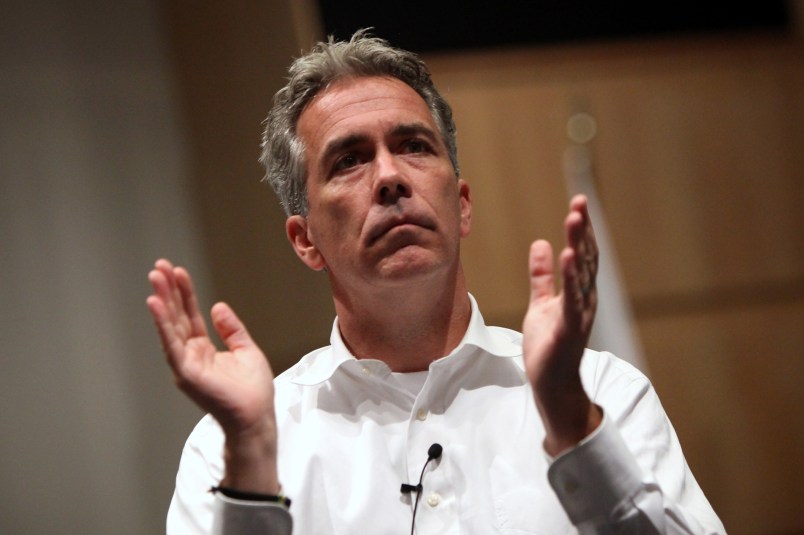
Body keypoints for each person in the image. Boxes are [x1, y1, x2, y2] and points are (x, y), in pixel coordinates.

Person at [146, 30, 725, 534]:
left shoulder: (600, 391)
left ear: (462, 204)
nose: (391, 176)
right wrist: (249, 457)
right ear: (305, 240)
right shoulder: (229, 449)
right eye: (349, 160)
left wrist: (572, 425)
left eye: (413, 147)